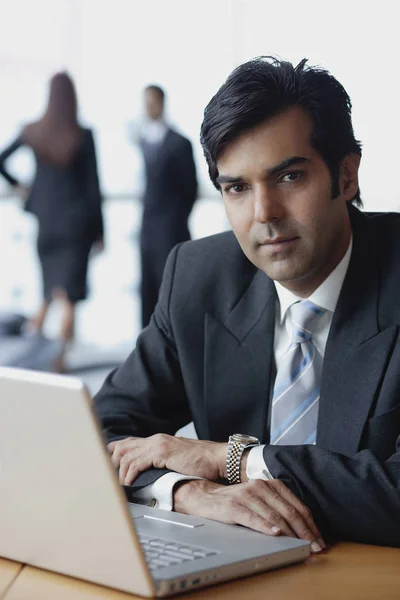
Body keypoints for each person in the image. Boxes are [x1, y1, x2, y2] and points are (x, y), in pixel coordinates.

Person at [94, 57, 400, 551]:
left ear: (346, 176)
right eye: (236, 188)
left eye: (289, 178)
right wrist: (187, 491)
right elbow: (103, 430)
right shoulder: (198, 278)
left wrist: (230, 461)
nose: (264, 214)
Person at [0, 72, 104, 372]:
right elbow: (92, 187)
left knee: (48, 294)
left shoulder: (33, 131)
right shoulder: (82, 135)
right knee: (69, 298)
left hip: (46, 224)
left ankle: (29, 359)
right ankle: (58, 365)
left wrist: (22, 188)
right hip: (75, 226)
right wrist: (99, 231)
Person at [133, 84, 197, 328]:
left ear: (161, 103)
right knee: (146, 290)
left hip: (171, 229)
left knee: (169, 288)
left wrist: (176, 219)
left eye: (152, 102)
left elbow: (189, 189)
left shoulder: (179, 143)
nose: (148, 107)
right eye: (145, 102)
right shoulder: (143, 140)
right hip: (147, 230)